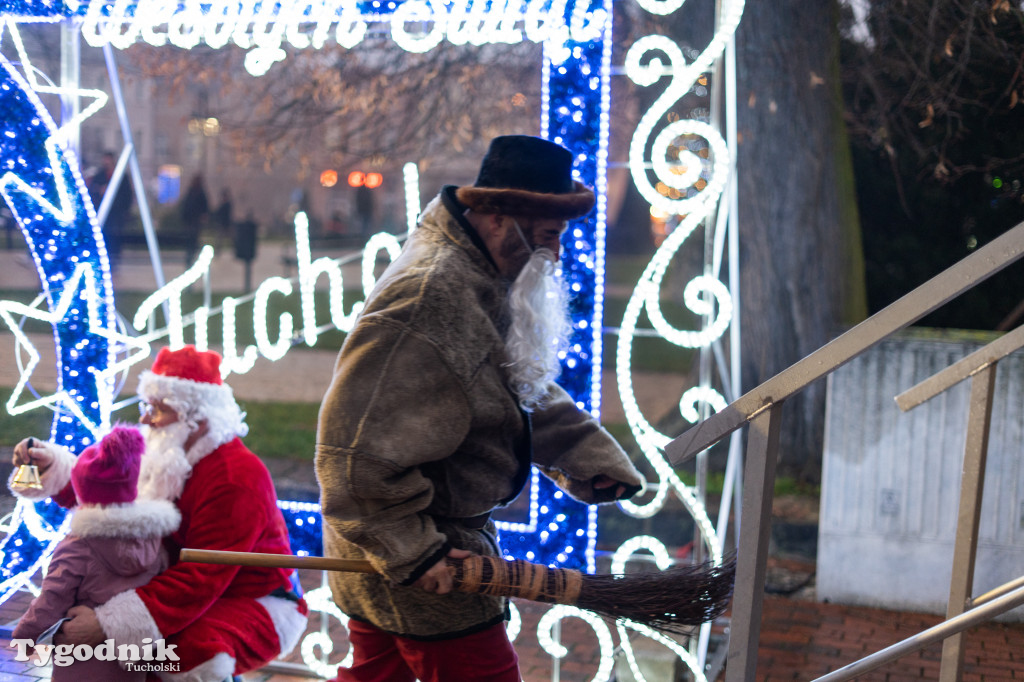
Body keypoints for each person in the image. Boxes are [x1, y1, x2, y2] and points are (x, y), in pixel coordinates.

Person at [315, 135, 646, 682]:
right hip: (420, 552)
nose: (555, 253)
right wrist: (417, 555)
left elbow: (510, 382)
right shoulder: (429, 295)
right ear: (496, 217)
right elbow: (350, 458)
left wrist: (586, 452)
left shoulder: (482, 276)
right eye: (546, 236)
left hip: (401, 551)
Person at [10, 345, 309, 681]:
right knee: (132, 650)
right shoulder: (165, 450)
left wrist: (107, 624)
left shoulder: (235, 477)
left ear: (195, 418)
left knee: (178, 655)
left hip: (256, 599)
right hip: (182, 585)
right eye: (147, 406)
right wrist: (52, 468)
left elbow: (201, 578)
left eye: (159, 409)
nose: (145, 419)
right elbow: (111, 500)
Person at [12, 425, 179, 681]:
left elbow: (53, 596)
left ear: (81, 489)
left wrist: (25, 635)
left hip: (81, 658)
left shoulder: (78, 545)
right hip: (130, 658)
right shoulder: (152, 537)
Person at [87, 151, 133, 269]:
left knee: (115, 239)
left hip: (116, 213)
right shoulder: (99, 176)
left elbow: (127, 195)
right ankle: (103, 262)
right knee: (104, 237)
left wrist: (124, 210)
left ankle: (114, 262)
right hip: (103, 213)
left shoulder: (121, 176)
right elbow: (93, 191)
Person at [180, 174, 209, 265]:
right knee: (190, 239)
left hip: (195, 221)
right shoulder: (192, 191)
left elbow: (204, 207)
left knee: (193, 239)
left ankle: (191, 256)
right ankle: (189, 256)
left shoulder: (199, 192)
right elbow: (186, 206)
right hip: (190, 220)